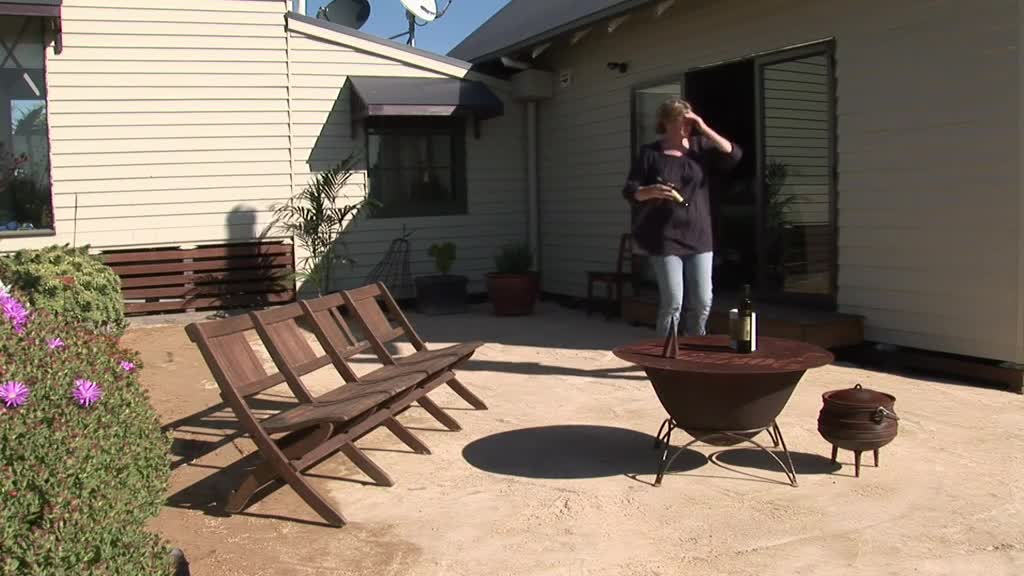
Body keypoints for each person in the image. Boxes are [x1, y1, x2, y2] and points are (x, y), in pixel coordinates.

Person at [622, 98, 742, 337]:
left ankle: (694, 350)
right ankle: (666, 356)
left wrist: (703, 126)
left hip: (699, 235)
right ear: (665, 123)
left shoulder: (700, 148)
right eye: (681, 122)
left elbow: (733, 154)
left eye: (689, 122)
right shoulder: (650, 153)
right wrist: (649, 191)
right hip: (664, 237)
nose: (686, 127)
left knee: (702, 301)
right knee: (673, 302)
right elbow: (630, 190)